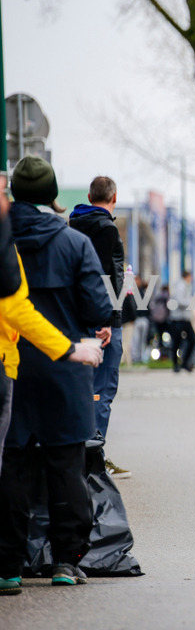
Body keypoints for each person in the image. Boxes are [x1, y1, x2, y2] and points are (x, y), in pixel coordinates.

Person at [1, 156, 113, 588]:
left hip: (8, 363)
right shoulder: (73, 243)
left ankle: (8, 565)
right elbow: (96, 307)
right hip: (65, 363)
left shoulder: (2, 240)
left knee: (9, 463)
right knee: (65, 463)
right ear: (53, 197)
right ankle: (66, 560)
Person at [69, 175, 131, 478]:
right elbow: (104, 276)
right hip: (104, 322)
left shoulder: (73, 225)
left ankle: (82, 454)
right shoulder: (106, 229)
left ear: (89, 195)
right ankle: (94, 460)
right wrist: (106, 320)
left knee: (86, 390)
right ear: (114, 198)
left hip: (78, 318)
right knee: (103, 391)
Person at [169, 271, 195, 372]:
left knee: (191, 340)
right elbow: (180, 300)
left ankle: (184, 363)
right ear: (187, 277)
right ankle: (177, 364)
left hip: (184, 318)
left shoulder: (184, 286)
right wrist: (192, 302)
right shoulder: (181, 286)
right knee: (178, 341)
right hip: (178, 318)